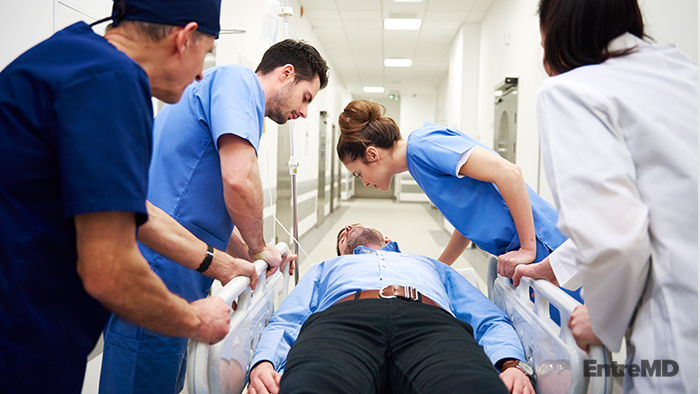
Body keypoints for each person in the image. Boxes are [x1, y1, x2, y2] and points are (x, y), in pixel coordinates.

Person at [0, 0, 233, 392]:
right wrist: (196, 320)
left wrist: (219, 263)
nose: (198, 76)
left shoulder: (70, 55)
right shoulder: (115, 82)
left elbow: (129, 208)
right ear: (184, 38)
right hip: (21, 341)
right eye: (205, 55)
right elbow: (109, 271)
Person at [99, 39, 329, 393]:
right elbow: (238, 180)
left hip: (178, 269)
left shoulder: (227, 94)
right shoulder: (237, 83)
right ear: (286, 74)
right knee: (139, 381)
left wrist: (251, 258)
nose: (304, 112)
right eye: (306, 97)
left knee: (163, 380)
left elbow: (206, 214)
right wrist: (260, 247)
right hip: (157, 268)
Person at [532, 0, 698, 392]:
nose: (543, 63)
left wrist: (604, 322)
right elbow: (663, 204)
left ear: (560, 32)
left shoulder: (570, 91)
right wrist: (555, 267)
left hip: (681, 333)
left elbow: (616, 241)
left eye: (543, 47)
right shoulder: (682, 71)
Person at [248, 224, 535, 394]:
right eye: (341, 236)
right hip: (342, 324)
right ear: (342, 252)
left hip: (431, 326)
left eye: (351, 225)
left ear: (386, 238)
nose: (346, 229)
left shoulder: (430, 264)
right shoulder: (328, 267)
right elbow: (287, 320)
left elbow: (487, 317)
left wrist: (512, 365)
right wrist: (265, 363)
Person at [336, 100, 578, 292]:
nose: (365, 183)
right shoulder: (417, 165)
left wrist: (527, 247)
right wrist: (439, 268)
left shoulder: (424, 146)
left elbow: (509, 173)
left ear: (372, 154)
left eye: (359, 174)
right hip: (528, 253)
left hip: (548, 245)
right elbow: (467, 221)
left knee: (586, 337)